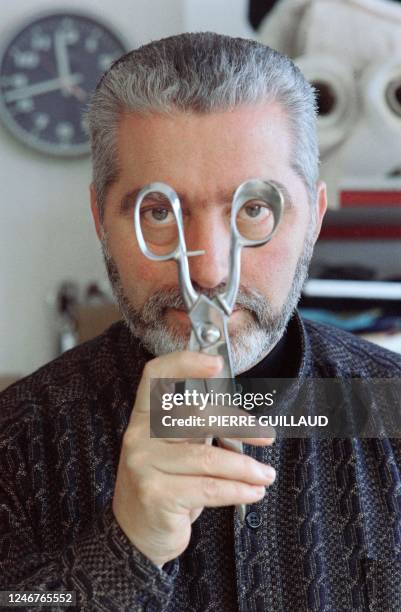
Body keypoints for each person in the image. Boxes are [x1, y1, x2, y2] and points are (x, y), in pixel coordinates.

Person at [1, 32, 401, 611]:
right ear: (99, 218)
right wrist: (123, 551)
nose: (211, 270)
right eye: (160, 212)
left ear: (313, 218)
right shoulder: (16, 443)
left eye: (254, 209)